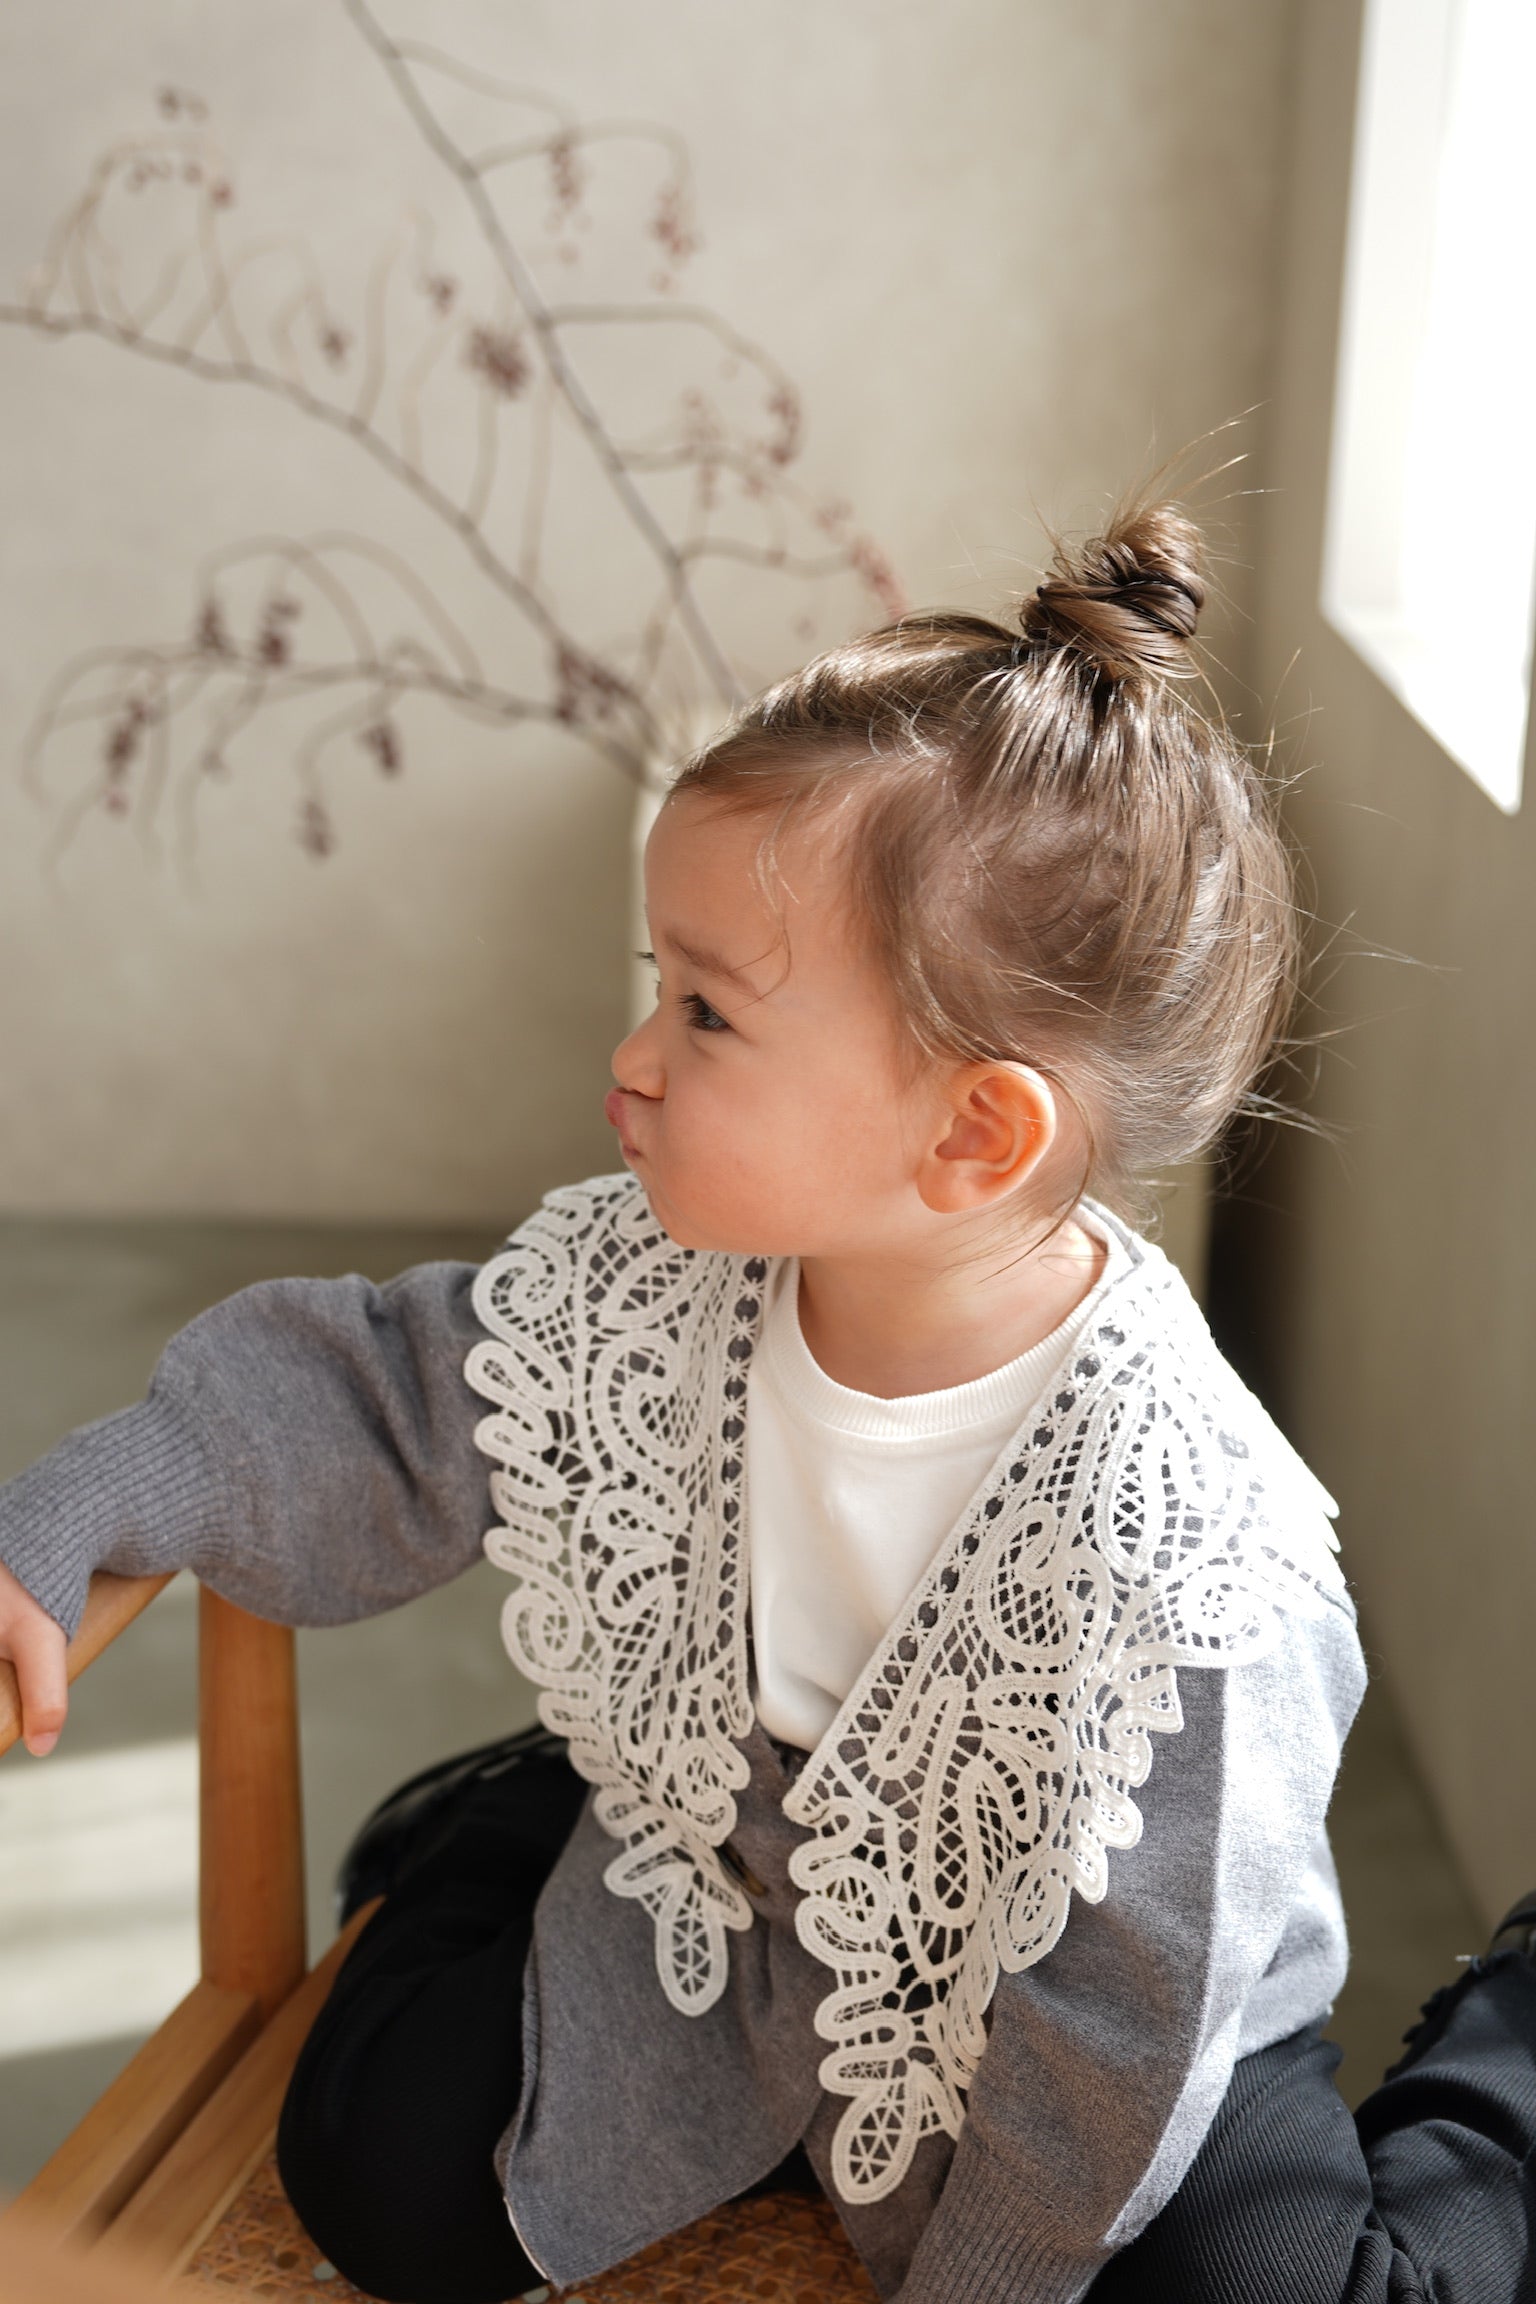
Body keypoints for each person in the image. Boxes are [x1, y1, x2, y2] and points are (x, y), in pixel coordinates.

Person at [1, 494, 1533, 2304]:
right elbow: (386, 1400)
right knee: (381, 2172)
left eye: (708, 1017)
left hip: (1096, 2013)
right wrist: (76, 1511)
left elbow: (1120, 2041)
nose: (634, 1059)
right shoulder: (654, 1284)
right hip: (713, 1893)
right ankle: (505, 1814)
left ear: (973, 1135)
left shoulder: (1190, 1577)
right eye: (659, 988)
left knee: (1287, 2293)